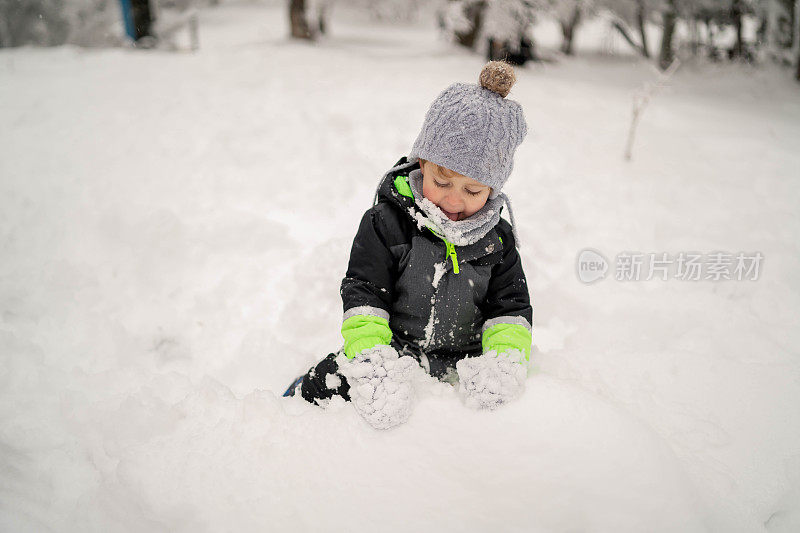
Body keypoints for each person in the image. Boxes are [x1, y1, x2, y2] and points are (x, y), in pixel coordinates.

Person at [284, 61, 533, 429]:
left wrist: (503, 359)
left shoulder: (497, 240)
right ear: (422, 162)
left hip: (462, 362)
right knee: (330, 380)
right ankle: (287, 411)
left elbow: (510, 309)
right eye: (442, 182)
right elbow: (365, 293)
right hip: (393, 352)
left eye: (473, 190)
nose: (454, 200)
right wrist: (371, 355)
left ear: (494, 188)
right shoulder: (387, 222)